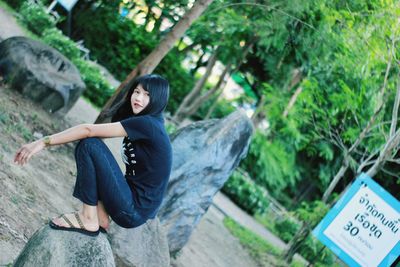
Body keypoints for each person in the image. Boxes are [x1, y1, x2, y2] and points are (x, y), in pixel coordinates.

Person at [13, 74, 172, 236]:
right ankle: (101, 216)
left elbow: (88, 130)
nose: (138, 98)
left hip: (132, 211)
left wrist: (42, 142)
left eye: (147, 95)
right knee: (92, 146)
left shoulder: (148, 124)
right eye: (137, 92)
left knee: (89, 145)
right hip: (131, 204)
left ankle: (88, 217)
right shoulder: (148, 121)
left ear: (158, 100)